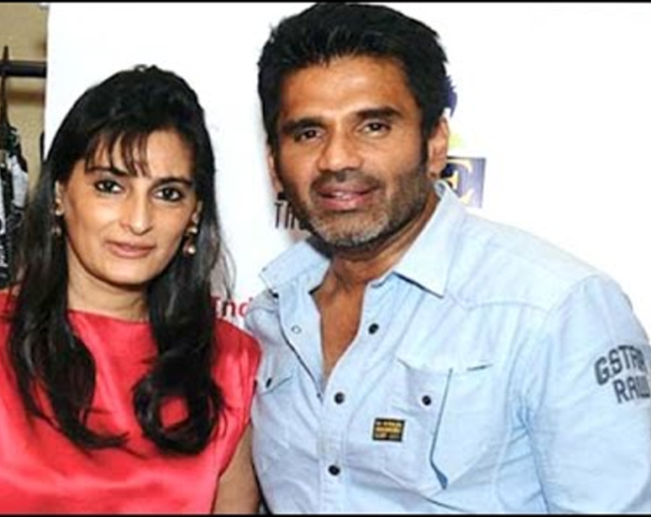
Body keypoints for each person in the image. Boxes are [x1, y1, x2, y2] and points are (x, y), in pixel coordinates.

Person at [246, 2, 651, 513]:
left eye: (373, 126)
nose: (337, 158)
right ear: (274, 164)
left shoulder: (553, 309)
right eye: (309, 132)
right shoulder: (271, 316)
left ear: (435, 143)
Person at [0, 65, 261, 513]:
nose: (138, 220)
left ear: (195, 214)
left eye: (167, 194)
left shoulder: (228, 367)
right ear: (59, 194)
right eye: (110, 186)